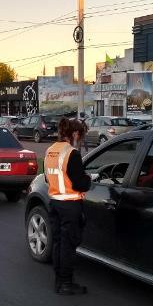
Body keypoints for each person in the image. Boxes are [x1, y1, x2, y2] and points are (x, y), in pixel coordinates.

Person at [44, 118, 92, 295]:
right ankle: (66, 283)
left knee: (58, 243)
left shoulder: (50, 150)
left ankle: (59, 280)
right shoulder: (72, 153)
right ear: (75, 134)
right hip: (70, 206)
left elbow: (48, 178)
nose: (80, 140)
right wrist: (89, 179)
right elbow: (80, 184)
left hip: (54, 203)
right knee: (68, 246)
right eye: (81, 136)